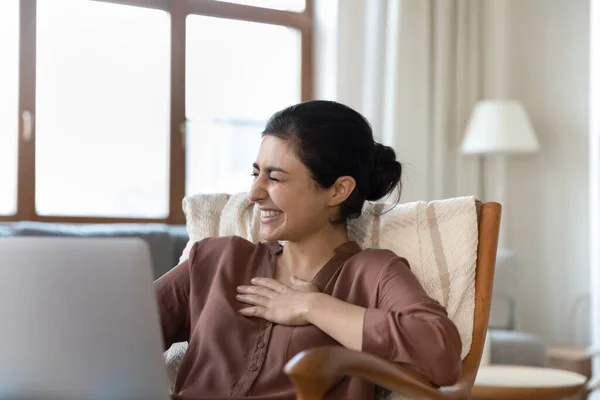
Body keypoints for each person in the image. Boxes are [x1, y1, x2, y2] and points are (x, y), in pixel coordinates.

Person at [155, 100, 462, 400]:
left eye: (274, 177)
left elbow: (440, 354)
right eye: (255, 173)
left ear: (338, 190)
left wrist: (312, 307)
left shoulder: (373, 273)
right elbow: (121, 329)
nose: (254, 193)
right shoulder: (216, 259)